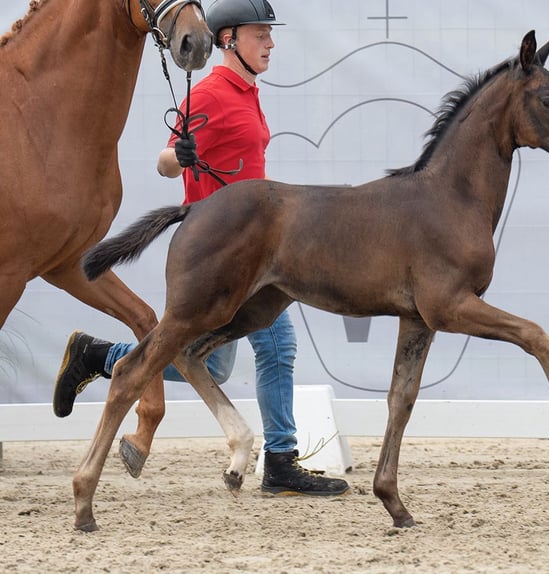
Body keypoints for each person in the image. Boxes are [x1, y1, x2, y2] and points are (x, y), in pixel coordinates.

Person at [53, 0, 348, 497]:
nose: (271, 42)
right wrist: (180, 155)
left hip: (259, 245)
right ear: (228, 40)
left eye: (269, 35)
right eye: (260, 35)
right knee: (278, 346)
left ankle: (100, 356)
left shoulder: (249, 92)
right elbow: (167, 162)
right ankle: (280, 460)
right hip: (225, 249)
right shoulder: (211, 91)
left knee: (210, 363)